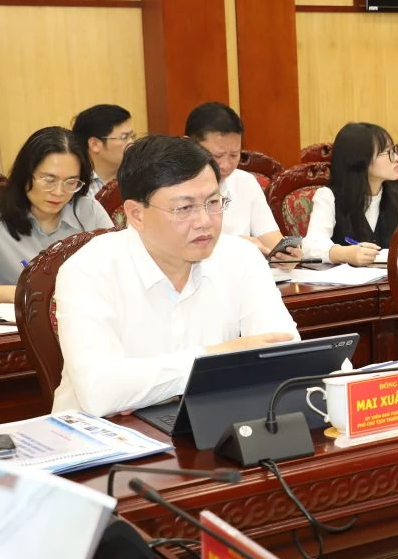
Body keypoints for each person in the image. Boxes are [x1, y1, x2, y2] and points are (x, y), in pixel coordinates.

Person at [51, 135, 298, 416]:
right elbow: (100, 392)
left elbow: (284, 353)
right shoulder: (88, 269)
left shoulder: (241, 257)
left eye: (213, 202)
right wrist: (220, 356)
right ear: (136, 214)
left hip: (206, 422)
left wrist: (143, 386)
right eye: (184, 208)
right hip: (102, 436)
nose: (205, 221)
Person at [0, 127, 112, 306]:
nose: (59, 192)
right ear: (25, 174)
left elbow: (119, 272)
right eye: (49, 180)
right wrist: (28, 293)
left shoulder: (89, 211)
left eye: (71, 182)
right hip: (13, 322)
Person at [184, 102, 296, 263]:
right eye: (217, 156)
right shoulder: (171, 188)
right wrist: (237, 246)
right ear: (188, 145)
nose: (226, 165)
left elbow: (271, 241)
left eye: (234, 155)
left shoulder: (246, 182)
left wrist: (287, 256)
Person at [301, 122, 398, 265]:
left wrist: (378, 256)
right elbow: (311, 246)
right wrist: (344, 254)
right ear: (360, 160)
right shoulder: (329, 197)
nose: (396, 158)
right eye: (388, 152)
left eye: (394, 150)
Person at [71, 104, 136, 198]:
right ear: (94, 144)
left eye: (132, 136)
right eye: (124, 137)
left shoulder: (139, 176)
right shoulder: (75, 183)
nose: (132, 143)